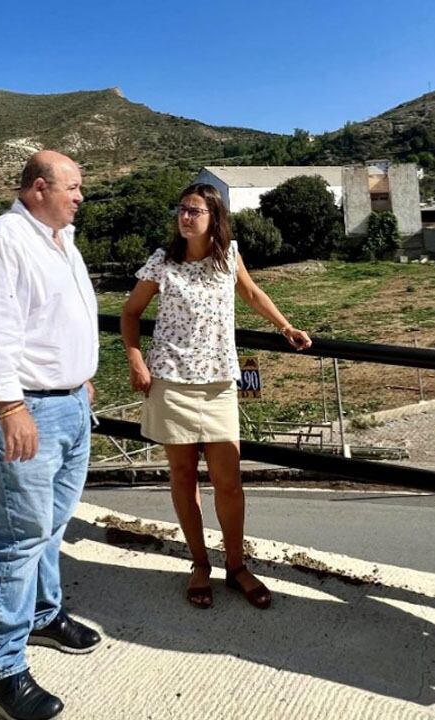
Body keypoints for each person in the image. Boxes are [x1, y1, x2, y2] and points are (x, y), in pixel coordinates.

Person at [0, 150, 102, 720]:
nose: (80, 196)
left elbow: (54, 321)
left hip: (66, 402)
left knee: (51, 523)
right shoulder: (3, 238)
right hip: (22, 408)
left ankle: (42, 614)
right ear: (38, 188)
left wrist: (79, 378)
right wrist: (11, 403)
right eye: (73, 186)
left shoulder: (60, 240)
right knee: (17, 536)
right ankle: (1, 671)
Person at [120, 183, 312, 610]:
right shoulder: (162, 262)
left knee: (229, 482)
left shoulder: (228, 257)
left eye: (195, 211)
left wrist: (286, 327)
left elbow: (252, 293)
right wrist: (136, 359)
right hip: (170, 381)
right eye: (182, 209)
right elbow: (130, 313)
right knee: (184, 479)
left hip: (220, 383)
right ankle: (200, 564)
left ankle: (237, 566)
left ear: (214, 218)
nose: (186, 217)